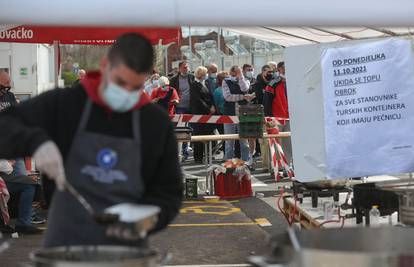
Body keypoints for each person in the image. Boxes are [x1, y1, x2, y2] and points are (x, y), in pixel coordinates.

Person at [0, 33, 183, 247]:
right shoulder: (64, 104)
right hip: (66, 242)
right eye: (120, 82)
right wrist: (36, 141)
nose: (125, 92)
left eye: (134, 88)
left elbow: (169, 193)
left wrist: (146, 218)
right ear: (105, 66)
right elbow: (6, 126)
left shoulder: (154, 123)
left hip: (127, 248)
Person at [222, 65, 254, 164]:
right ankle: (229, 163)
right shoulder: (226, 81)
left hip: (243, 114)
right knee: (229, 141)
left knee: (244, 141)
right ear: (231, 72)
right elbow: (228, 97)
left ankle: (245, 162)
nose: (236, 73)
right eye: (235, 71)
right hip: (229, 114)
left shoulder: (246, 80)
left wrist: (240, 77)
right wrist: (243, 97)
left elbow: (245, 88)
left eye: (238, 71)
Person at [263, 61, 292, 169]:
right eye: (283, 68)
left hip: (289, 118)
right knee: (275, 144)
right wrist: (269, 118)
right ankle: (275, 168)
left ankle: (287, 167)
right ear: (279, 70)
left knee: (288, 145)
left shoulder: (294, 82)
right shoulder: (273, 84)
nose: (285, 70)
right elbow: (266, 102)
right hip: (276, 119)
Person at [169, 61, 195, 160]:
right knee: (181, 129)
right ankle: (180, 152)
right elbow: (171, 92)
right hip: (179, 107)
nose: (186, 69)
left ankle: (186, 150)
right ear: (179, 69)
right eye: (184, 67)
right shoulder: (174, 79)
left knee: (189, 129)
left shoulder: (191, 77)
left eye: (187, 67)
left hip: (190, 106)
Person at [190, 66, 215, 163]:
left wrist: (212, 106)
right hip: (199, 113)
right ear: (201, 74)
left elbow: (210, 96)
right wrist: (208, 109)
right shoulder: (194, 85)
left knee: (208, 134)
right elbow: (197, 100)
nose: (207, 75)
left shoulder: (206, 83)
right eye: (205, 73)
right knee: (199, 135)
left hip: (208, 114)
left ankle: (208, 155)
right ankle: (198, 157)